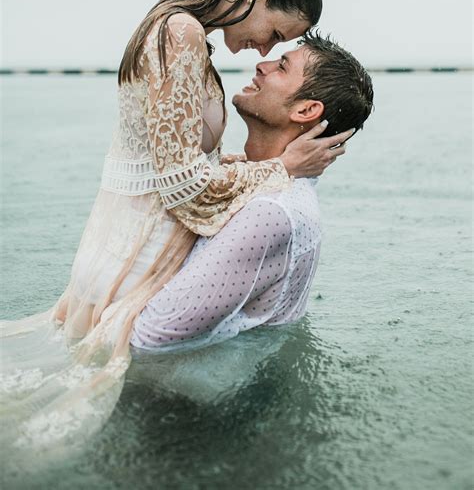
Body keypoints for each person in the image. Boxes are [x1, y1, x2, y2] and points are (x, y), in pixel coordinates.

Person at [0, 0, 354, 455]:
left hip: (128, 238)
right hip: (140, 248)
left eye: (278, 47)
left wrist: (245, 166)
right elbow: (184, 186)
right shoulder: (180, 33)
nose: (262, 51)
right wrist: (281, 169)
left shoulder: (182, 32)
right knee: (71, 414)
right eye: (275, 34)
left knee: (68, 383)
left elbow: (179, 164)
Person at [130, 31, 374, 353]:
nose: (262, 64)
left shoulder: (273, 212)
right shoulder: (261, 186)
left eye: (282, 67)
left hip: (190, 397)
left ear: (305, 111)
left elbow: (152, 334)